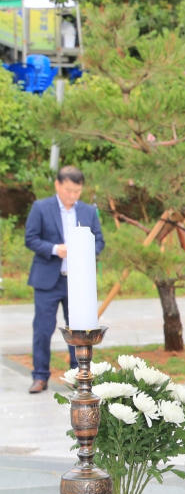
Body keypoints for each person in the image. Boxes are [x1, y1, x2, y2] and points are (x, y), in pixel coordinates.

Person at [24, 166, 105, 394]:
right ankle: (40, 376)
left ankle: (77, 377)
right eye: (68, 190)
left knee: (79, 330)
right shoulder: (41, 207)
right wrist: (55, 249)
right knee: (43, 329)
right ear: (57, 185)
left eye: (77, 191)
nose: (72, 195)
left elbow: (99, 241)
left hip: (78, 282)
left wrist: (83, 251)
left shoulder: (88, 211)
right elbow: (30, 238)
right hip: (48, 280)